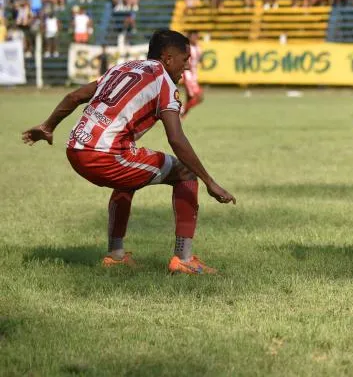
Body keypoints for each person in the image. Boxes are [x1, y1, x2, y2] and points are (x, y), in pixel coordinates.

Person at [21, 30, 236, 274]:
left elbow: (75, 95)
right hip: (104, 155)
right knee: (186, 173)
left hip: (75, 148)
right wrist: (210, 181)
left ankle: (116, 255)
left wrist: (48, 127)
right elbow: (176, 138)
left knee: (128, 177)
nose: (186, 66)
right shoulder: (163, 82)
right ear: (167, 58)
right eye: (184, 59)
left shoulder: (124, 67)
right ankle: (183, 259)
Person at [180, 30, 204, 119]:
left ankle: (182, 115)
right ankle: (181, 111)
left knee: (190, 98)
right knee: (199, 97)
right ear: (189, 37)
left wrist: (202, 61)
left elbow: (200, 58)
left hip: (193, 75)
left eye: (197, 36)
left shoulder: (198, 47)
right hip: (188, 75)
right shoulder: (186, 48)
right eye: (194, 36)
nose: (196, 38)